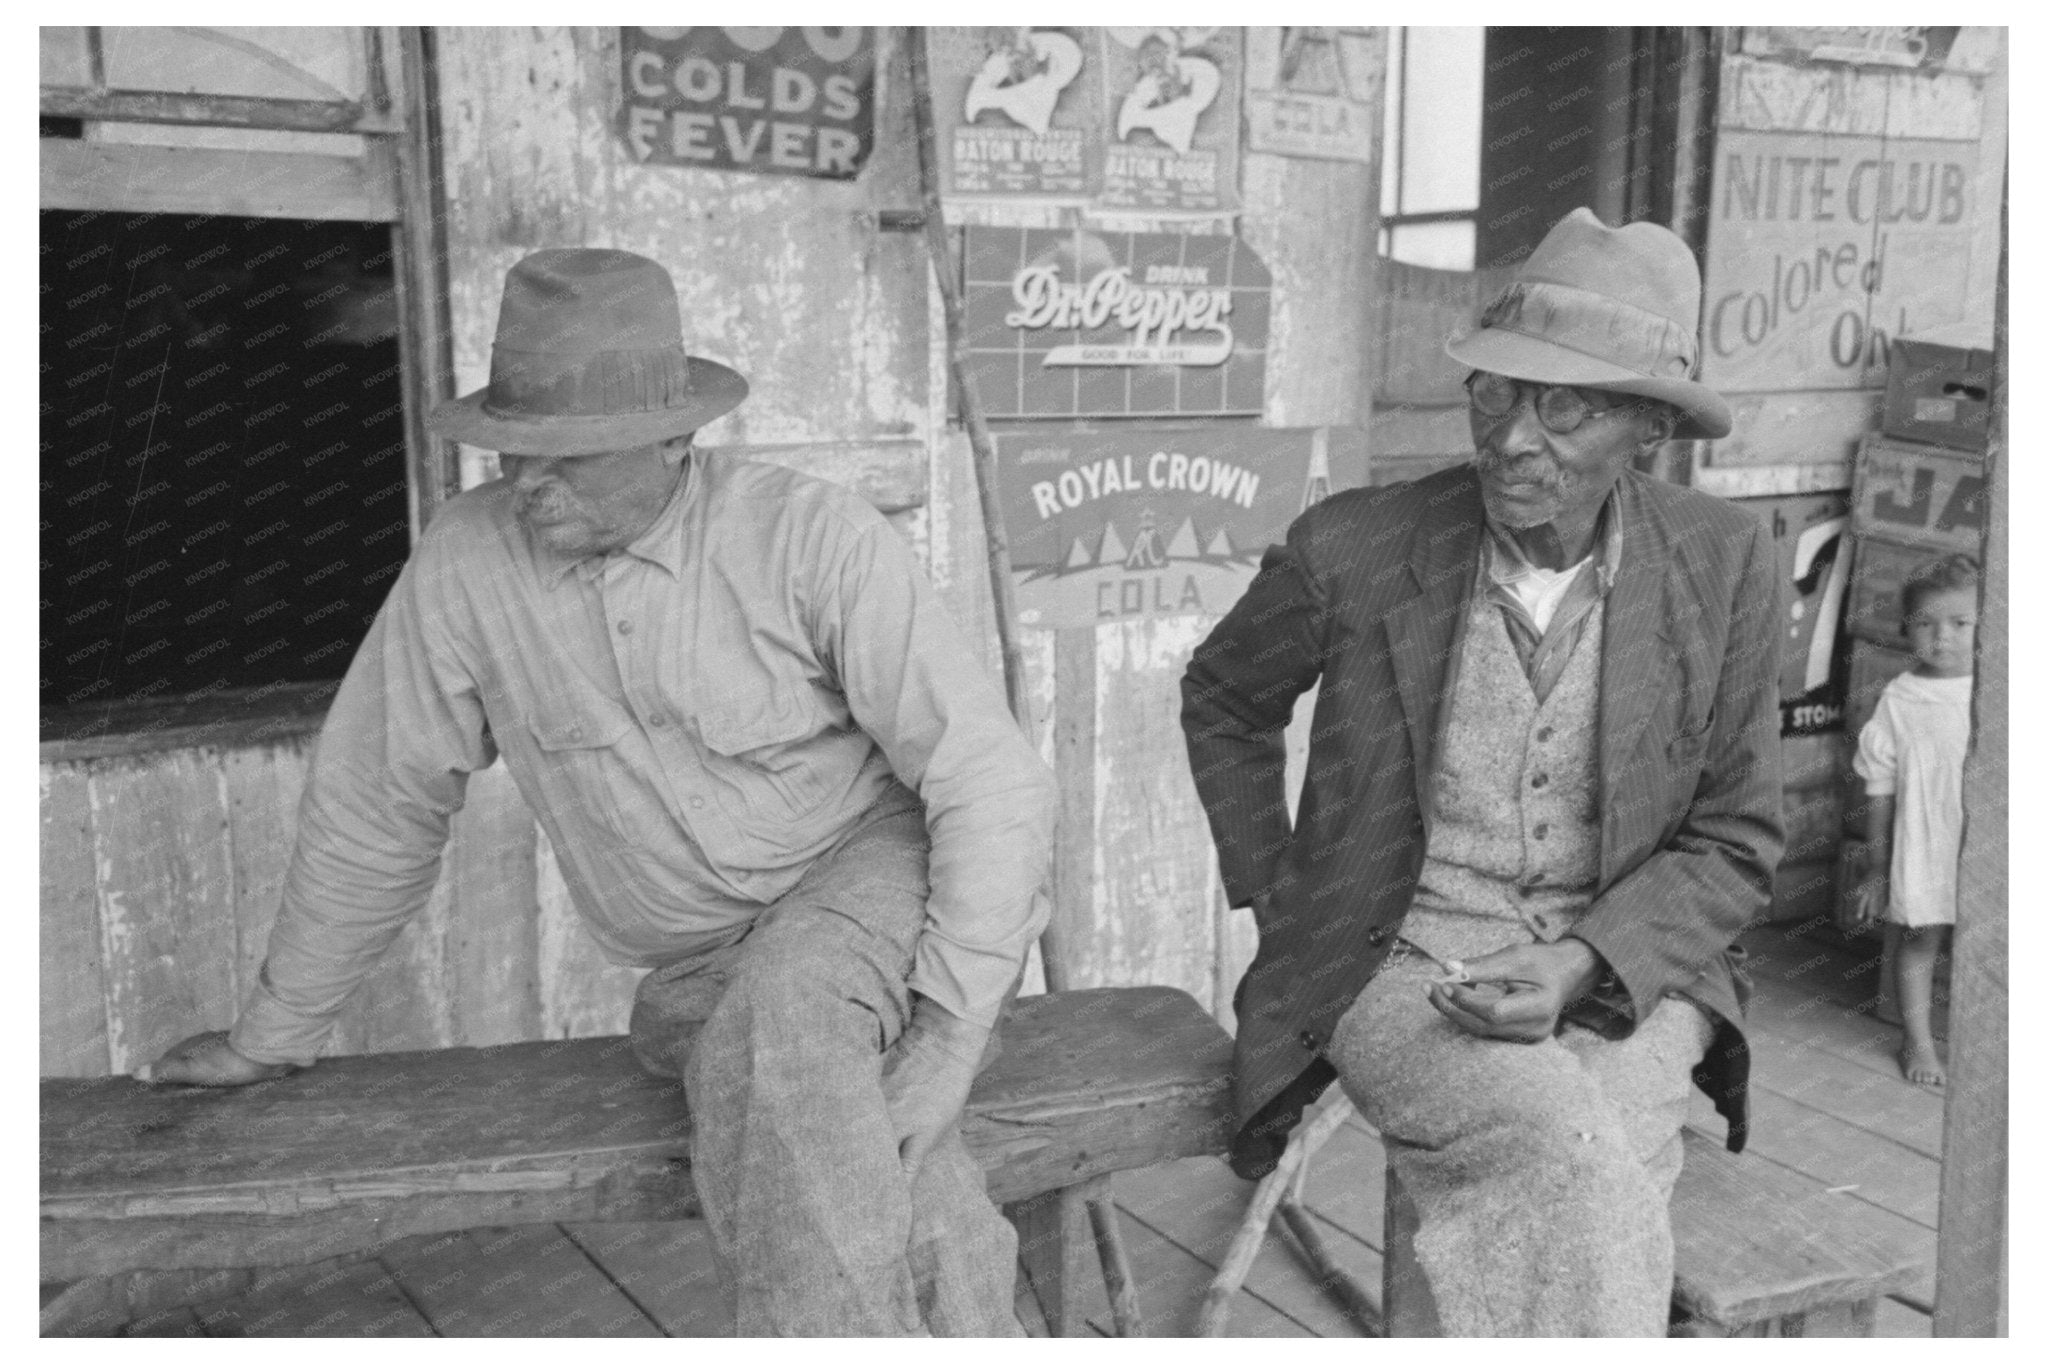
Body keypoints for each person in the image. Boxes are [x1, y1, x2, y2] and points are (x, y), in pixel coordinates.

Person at [138, 247, 1056, 1337]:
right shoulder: (465, 562)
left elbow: (986, 777)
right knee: (833, 1108)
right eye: (510, 452)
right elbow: (378, 798)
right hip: (699, 974)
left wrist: (949, 1041)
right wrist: (273, 1029)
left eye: (567, 456)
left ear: (677, 437)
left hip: (873, 885)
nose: (528, 483)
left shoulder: (808, 534)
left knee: (790, 1010)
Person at [1181, 208, 1785, 1336]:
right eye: (1494, 391)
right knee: (1580, 1164)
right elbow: (1222, 696)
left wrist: (1577, 961)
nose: (1511, 436)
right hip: (1405, 959)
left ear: (1646, 426)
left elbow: (1735, 833)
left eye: (1563, 405)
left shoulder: (1723, 558)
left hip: (1631, 958)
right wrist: (1282, 890)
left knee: (1588, 1167)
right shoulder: (1354, 546)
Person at [1851, 552, 1978, 1087]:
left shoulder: (2003, 689)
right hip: (1927, 840)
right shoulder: (1900, 701)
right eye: (1925, 623)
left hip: (1987, 840)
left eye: (1959, 623)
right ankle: (1919, 1041)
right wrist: (1876, 868)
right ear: (1907, 629)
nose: (1941, 637)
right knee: (1921, 937)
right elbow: (1879, 790)